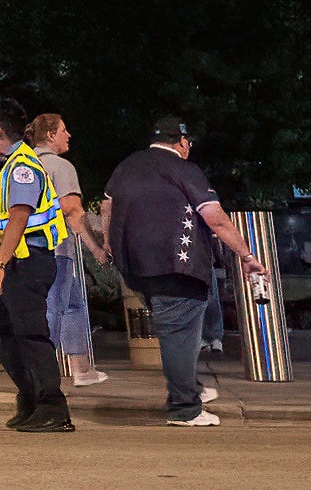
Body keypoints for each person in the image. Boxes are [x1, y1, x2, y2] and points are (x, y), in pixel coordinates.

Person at [94, 118, 267, 428]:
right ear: (181, 142)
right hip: (178, 266)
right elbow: (215, 218)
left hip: (134, 267)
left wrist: (108, 245)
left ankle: (190, 388)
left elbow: (107, 207)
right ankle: (184, 407)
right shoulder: (185, 169)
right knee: (179, 335)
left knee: (181, 333)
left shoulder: (126, 166)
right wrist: (246, 255)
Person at [0, 99, 71, 433]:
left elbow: (19, 215)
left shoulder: (21, 166)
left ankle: (53, 407)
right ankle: (30, 397)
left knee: (30, 332)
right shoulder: (5, 164)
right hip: (14, 261)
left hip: (25, 262)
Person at [26, 113, 107, 389]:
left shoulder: (23, 164)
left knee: (74, 305)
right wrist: (97, 248)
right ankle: (43, 376)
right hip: (58, 249)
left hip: (30, 249)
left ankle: (81, 368)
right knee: (55, 309)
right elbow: (73, 211)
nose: (68, 135)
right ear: (50, 135)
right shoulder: (60, 167)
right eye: (63, 130)